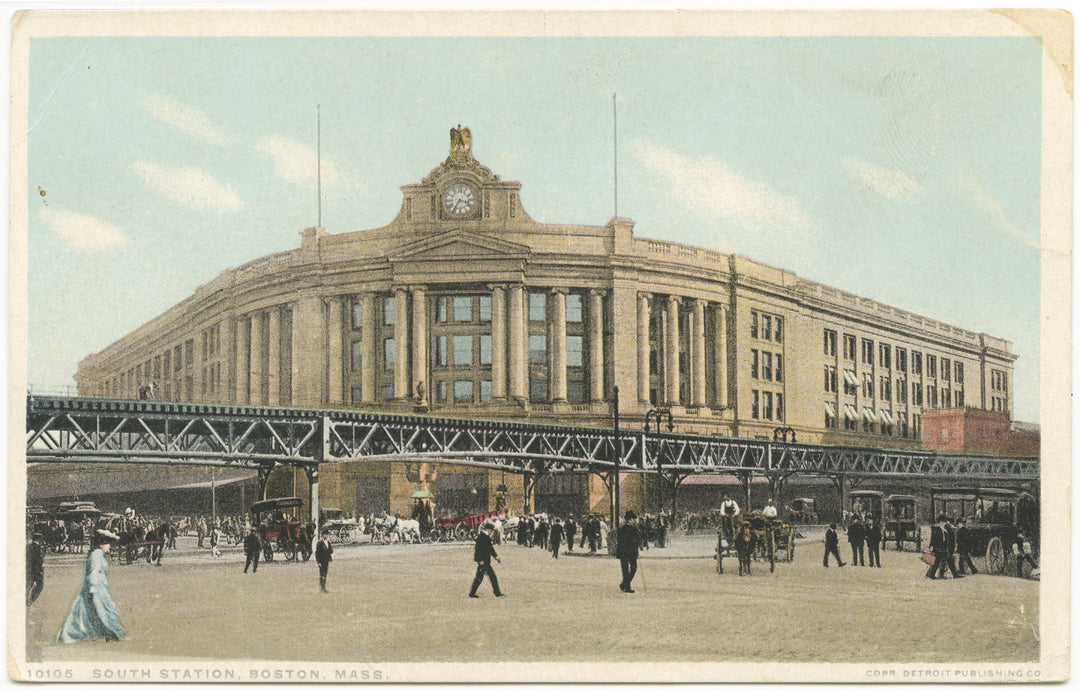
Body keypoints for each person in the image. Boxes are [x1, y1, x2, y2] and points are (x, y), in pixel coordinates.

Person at [57, 530, 126, 643]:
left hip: (99, 587)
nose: (110, 547)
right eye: (108, 544)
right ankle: (110, 634)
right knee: (103, 610)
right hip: (96, 588)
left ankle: (110, 634)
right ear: (101, 544)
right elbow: (94, 571)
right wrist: (93, 587)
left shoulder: (98, 555)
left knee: (94, 610)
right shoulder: (97, 555)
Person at [469, 522, 504, 598]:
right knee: (483, 578)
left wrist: (496, 556)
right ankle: (496, 592)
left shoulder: (485, 536)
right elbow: (478, 550)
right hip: (483, 562)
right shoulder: (482, 537)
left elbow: (490, 548)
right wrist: (479, 560)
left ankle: (496, 592)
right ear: (488, 529)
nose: (491, 532)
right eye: (491, 530)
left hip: (485, 562)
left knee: (483, 577)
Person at [616, 511, 641, 593]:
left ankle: (624, 584)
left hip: (625, 552)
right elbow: (634, 540)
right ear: (630, 520)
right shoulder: (631, 529)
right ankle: (627, 586)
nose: (634, 521)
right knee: (631, 568)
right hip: (630, 551)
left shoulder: (623, 528)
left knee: (627, 569)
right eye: (633, 519)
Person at [26, 527, 45, 606]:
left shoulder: (28, 546)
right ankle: (31, 599)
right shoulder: (37, 548)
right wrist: (41, 568)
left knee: (29, 584)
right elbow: (38, 560)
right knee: (40, 585)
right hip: (36, 569)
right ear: (39, 539)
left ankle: (26, 599)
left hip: (28, 568)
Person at [315, 529, 333, 593]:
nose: (325, 536)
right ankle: (323, 587)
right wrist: (319, 562)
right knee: (322, 574)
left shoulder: (328, 542)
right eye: (324, 535)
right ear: (322, 535)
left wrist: (329, 545)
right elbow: (317, 553)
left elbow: (331, 551)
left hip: (326, 561)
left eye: (326, 535)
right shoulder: (319, 543)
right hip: (322, 561)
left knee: (325, 574)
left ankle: (323, 586)